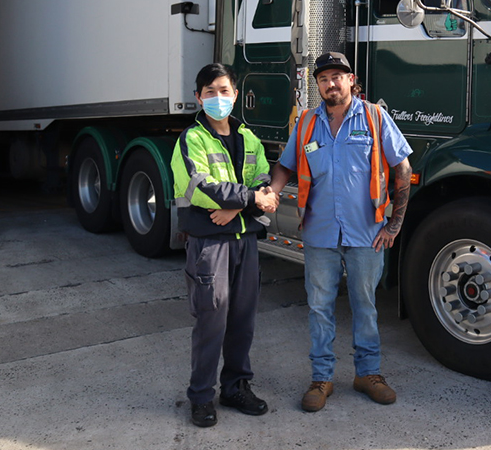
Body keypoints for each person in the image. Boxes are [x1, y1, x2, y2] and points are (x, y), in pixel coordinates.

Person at [269, 52, 412, 413]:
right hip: (319, 234)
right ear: (317, 86)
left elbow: (403, 168)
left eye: (337, 76)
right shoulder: (305, 124)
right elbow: (285, 166)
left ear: (351, 80)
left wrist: (394, 224)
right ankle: (321, 378)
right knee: (319, 308)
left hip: (367, 233)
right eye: (323, 79)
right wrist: (272, 190)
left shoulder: (376, 118)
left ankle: (368, 374)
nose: (330, 83)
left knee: (365, 306)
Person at [171, 63, 279, 428]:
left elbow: (264, 179)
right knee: (211, 321)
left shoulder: (248, 137)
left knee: (242, 320)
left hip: (244, 241)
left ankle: (235, 387)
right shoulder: (191, 139)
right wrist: (248, 199)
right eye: (210, 92)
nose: (219, 98)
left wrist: (235, 207)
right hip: (209, 246)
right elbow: (200, 188)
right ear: (198, 97)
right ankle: (201, 396)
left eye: (225, 90)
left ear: (236, 94)